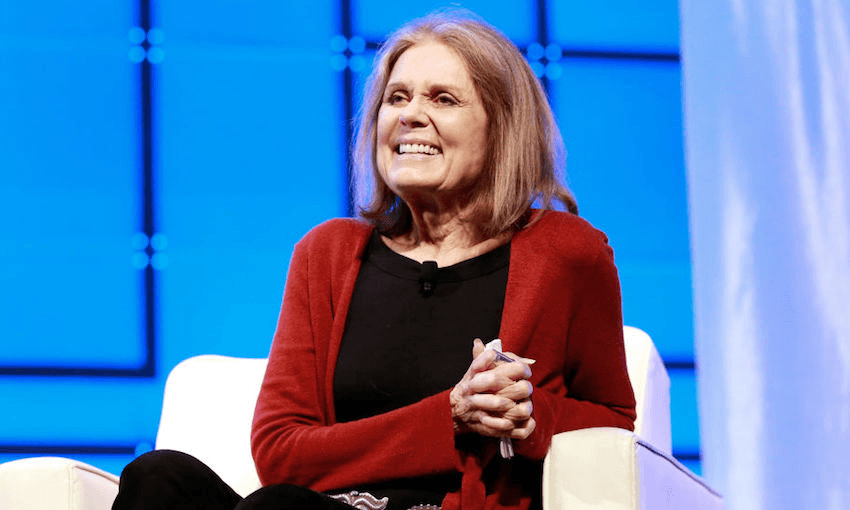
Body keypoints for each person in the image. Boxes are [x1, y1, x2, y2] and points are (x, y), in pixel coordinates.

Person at [112, 10, 635, 510]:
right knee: (159, 478)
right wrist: (450, 416)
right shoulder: (327, 253)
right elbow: (280, 451)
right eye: (396, 97)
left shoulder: (565, 252)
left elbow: (615, 426)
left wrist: (530, 414)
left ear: (501, 127)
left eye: (443, 99)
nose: (410, 115)